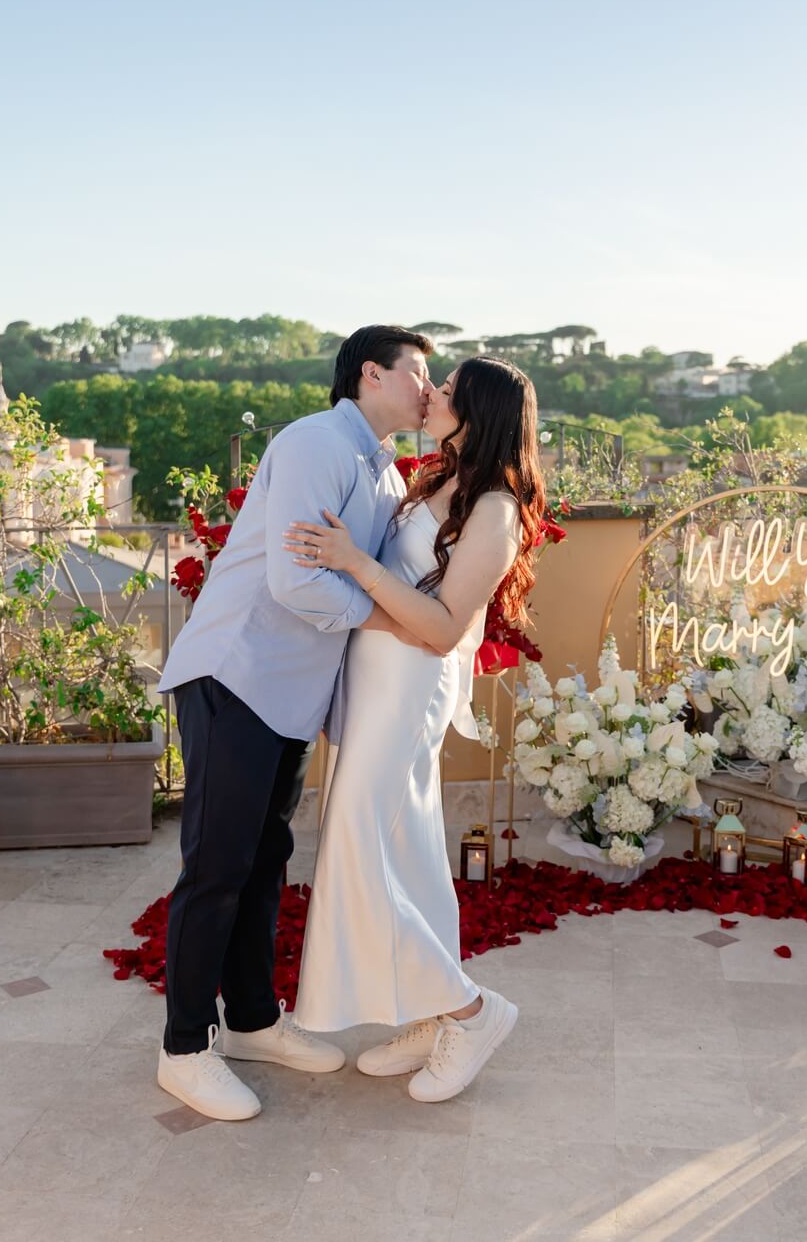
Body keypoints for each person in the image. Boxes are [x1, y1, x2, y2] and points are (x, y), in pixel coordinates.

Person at [155, 325, 435, 1121]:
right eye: (418, 372)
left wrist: (368, 601)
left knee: (265, 856)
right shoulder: (317, 442)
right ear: (370, 374)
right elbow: (293, 580)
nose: (427, 387)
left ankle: (248, 1021)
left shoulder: (379, 467)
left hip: (288, 694)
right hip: (237, 673)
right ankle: (183, 1048)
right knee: (215, 868)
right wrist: (380, 614)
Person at [285, 356, 545, 1102]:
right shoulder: (438, 480)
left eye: (450, 392)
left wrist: (354, 565)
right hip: (376, 684)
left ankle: (472, 1010)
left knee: (359, 851)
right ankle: (432, 1015)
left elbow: (439, 628)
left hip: (407, 686)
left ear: (482, 413)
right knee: (404, 851)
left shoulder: (493, 509)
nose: (431, 395)